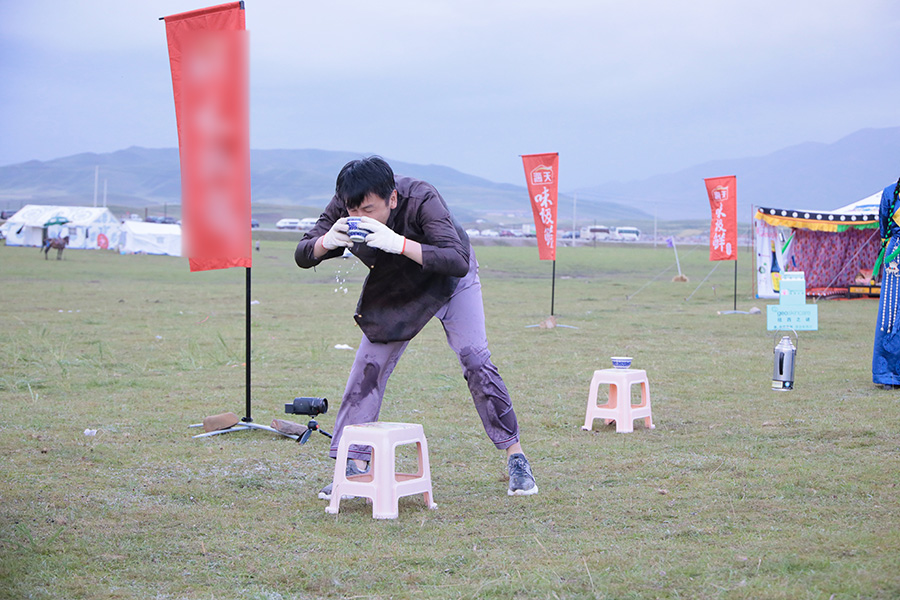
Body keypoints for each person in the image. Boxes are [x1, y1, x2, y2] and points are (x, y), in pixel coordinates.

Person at [294, 156, 538, 497]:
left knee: (475, 358)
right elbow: (303, 252)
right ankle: (353, 466)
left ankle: (516, 457)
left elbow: (455, 259)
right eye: (352, 211)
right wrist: (326, 242)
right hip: (397, 285)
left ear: (392, 199)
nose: (359, 218)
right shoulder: (347, 202)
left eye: (369, 209)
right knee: (368, 367)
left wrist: (397, 243)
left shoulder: (422, 197)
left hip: (450, 280)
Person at [872, 178, 900, 389]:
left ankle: (888, 374)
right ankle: (888, 373)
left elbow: (883, 229)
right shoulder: (891, 192)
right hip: (895, 257)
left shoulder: (890, 191)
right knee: (891, 313)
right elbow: (885, 226)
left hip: (894, 252)